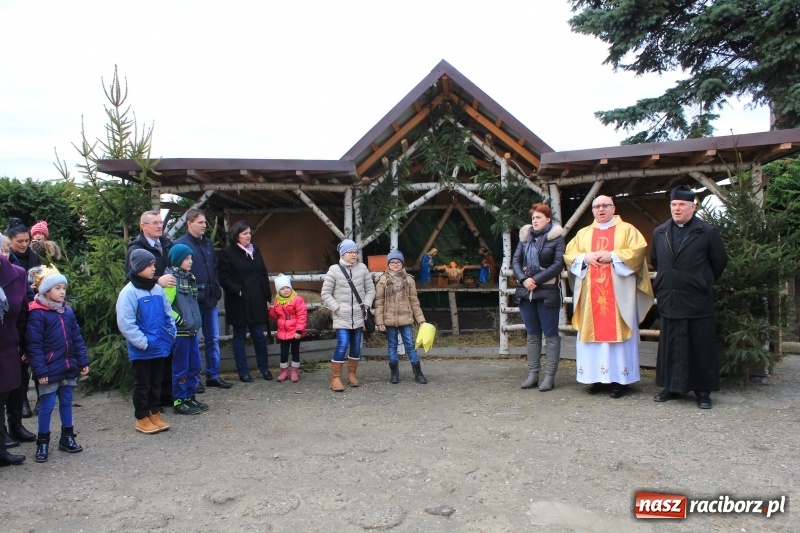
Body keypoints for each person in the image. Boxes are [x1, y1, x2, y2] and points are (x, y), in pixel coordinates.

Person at [563, 195, 653, 399]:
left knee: (618, 337)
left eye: (605, 205)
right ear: (592, 210)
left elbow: (638, 252)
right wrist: (585, 257)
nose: (601, 209)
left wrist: (613, 256)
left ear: (613, 208)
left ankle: (620, 381)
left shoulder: (628, 230)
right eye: (596, 206)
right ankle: (596, 378)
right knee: (592, 337)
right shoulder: (583, 233)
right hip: (590, 298)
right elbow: (569, 255)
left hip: (619, 297)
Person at [651, 185, 728, 409]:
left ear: (693, 207)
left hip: (697, 298)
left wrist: (702, 282)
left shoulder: (707, 232)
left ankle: (703, 392)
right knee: (671, 344)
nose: (676, 208)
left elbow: (719, 262)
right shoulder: (660, 231)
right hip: (670, 297)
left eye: (682, 205)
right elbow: (656, 260)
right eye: (673, 204)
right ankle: (671, 387)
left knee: (700, 345)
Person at [26, 266, 90, 463]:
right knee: (46, 406)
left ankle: (67, 437)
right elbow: (34, 345)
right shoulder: (38, 314)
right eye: (57, 288)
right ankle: (43, 441)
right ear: (45, 291)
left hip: (68, 366)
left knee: (67, 402)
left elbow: (76, 338)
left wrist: (82, 360)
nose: (62, 291)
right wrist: (40, 370)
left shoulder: (67, 311)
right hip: (48, 368)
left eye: (64, 288)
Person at [116, 249, 176, 435]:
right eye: (149, 265)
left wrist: (170, 333)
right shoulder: (129, 292)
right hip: (143, 348)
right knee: (143, 384)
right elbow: (126, 323)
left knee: (157, 382)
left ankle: (155, 413)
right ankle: (142, 417)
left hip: (160, 346)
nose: (154, 268)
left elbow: (168, 313)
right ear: (139, 267)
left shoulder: (157, 289)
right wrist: (143, 342)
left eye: (153, 264)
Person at [174, 209, 231, 390]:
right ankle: (195, 378)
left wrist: (215, 286)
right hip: (192, 300)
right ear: (189, 223)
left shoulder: (207, 244)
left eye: (205, 222)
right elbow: (178, 272)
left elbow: (214, 267)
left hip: (210, 298)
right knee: (194, 341)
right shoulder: (181, 245)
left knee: (213, 338)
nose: (204, 225)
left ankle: (213, 375)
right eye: (200, 222)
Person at [125, 211, 177, 407]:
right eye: (154, 223)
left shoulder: (165, 244)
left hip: (165, 303)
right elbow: (131, 277)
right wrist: (157, 281)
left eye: (161, 222)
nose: (159, 226)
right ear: (143, 226)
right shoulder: (136, 250)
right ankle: (150, 405)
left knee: (166, 352)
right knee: (150, 363)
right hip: (146, 308)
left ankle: (166, 394)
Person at [512, 203, 565, 391]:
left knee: (550, 335)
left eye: (539, 218)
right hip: (526, 292)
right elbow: (516, 261)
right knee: (532, 335)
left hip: (547, 292)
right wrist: (524, 279)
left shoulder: (556, 239)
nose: (535, 221)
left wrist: (536, 279)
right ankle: (533, 374)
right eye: (533, 218)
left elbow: (558, 264)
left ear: (548, 219)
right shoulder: (525, 238)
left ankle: (549, 376)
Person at [218, 220, 273, 382]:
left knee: (258, 335)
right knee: (239, 335)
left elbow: (263, 273)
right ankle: (243, 371)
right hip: (238, 301)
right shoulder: (227, 253)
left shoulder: (255, 250)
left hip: (256, 299)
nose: (248, 236)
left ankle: (264, 368)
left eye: (249, 233)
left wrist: (266, 297)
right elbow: (223, 277)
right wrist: (238, 290)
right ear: (236, 236)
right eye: (245, 233)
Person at [320, 239, 375, 392]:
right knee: (343, 344)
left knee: (356, 345)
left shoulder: (362, 268)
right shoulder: (334, 270)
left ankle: (352, 374)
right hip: (341, 315)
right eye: (350, 252)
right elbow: (325, 293)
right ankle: (335, 378)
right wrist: (336, 308)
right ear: (343, 254)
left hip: (358, 315)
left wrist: (366, 306)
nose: (354, 255)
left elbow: (370, 290)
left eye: (355, 252)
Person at [164, 244, 208, 415]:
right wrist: (180, 320)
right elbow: (165, 306)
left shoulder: (189, 278)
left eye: (191, 258)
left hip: (192, 331)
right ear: (177, 260)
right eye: (187, 259)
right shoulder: (171, 280)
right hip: (181, 332)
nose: (190, 262)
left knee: (194, 365)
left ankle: (190, 396)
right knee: (181, 367)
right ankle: (179, 400)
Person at [373, 250, 428, 384]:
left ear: (402, 264)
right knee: (392, 345)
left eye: (398, 262)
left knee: (410, 345)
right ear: (389, 264)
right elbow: (379, 301)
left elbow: (414, 301)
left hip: (406, 318)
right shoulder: (383, 280)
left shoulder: (409, 280)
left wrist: (421, 319)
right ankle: (394, 373)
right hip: (389, 318)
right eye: (392, 262)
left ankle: (418, 372)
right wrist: (379, 320)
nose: (395, 264)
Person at [5, 219, 38, 426]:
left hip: (32, 309)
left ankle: (21, 410)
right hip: (15, 315)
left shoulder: (34, 256)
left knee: (29, 357)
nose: (24, 244)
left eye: (27, 240)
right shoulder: (11, 262)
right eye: (19, 241)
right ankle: (21, 401)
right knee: (18, 364)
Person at [0, 234, 29, 466]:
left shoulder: (17, 274)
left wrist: (25, 344)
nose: (5, 254)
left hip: (9, 343)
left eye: (5, 249)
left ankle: (11, 433)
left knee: (12, 388)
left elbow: (23, 313)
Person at [268, 274, 307, 383]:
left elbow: (302, 316)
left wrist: (299, 330)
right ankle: (284, 371)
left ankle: (294, 371)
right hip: (283, 332)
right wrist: (269, 310)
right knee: (283, 352)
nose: (286, 290)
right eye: (282, 288)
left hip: (295, 332)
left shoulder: (297, 300)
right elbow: (276, 315)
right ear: (278, 291)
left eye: (287, 288)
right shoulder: (277, 301)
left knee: (295, 351)